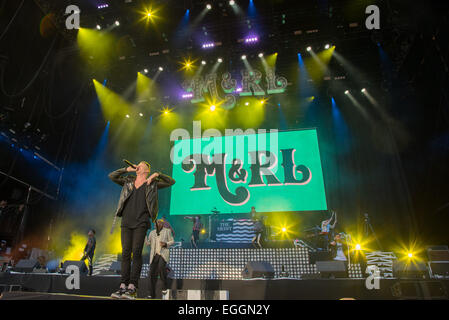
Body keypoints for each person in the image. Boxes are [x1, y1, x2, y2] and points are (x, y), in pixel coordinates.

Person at [108, 161, 175, 299]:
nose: (137, 166)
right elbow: (112, 176)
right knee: (125, 253)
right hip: (126, 222)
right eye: (136, 165)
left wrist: (157, 175)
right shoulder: (128, 181)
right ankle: (123, 286)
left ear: (146, 170)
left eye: (140, 165)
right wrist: (127, 169)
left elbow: (171, 181)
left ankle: (133, 287)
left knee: (136, 252)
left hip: (141, 222)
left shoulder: (152, 183)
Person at [145, 219, 174, 299]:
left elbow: (172, 241)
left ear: (162, 224)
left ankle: (164, 286)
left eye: (158, 223)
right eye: (155, 223)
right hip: (154, 255)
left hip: (163, 254)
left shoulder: (167, 231)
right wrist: (144, 235)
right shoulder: (152, 232)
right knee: (151, 273)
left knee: (161, 267)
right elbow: (148, 243)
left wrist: (166, 244)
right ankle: (151, 294)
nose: (156, 224)